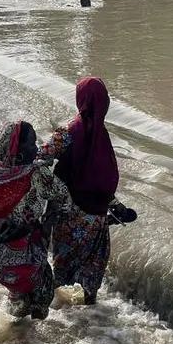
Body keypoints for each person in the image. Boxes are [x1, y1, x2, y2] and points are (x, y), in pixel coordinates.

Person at [38, 77, 136, 305]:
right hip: (96, 213)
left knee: (63, 259)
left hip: (69, 209)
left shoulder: (70, 132)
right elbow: (101, 178)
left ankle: (47, 306)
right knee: (94, 261)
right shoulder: (99, 135)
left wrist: (50, 189)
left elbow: (41, 158)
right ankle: (90, 309)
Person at [0, 121, 70, 319]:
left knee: (20, 298)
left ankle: (16, 331)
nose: (35, 148)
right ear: (17, 151)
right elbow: (63, 195)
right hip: (28, 258)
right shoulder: (37, 174)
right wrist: (48, 225)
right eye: (31, 144)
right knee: (42, 294)